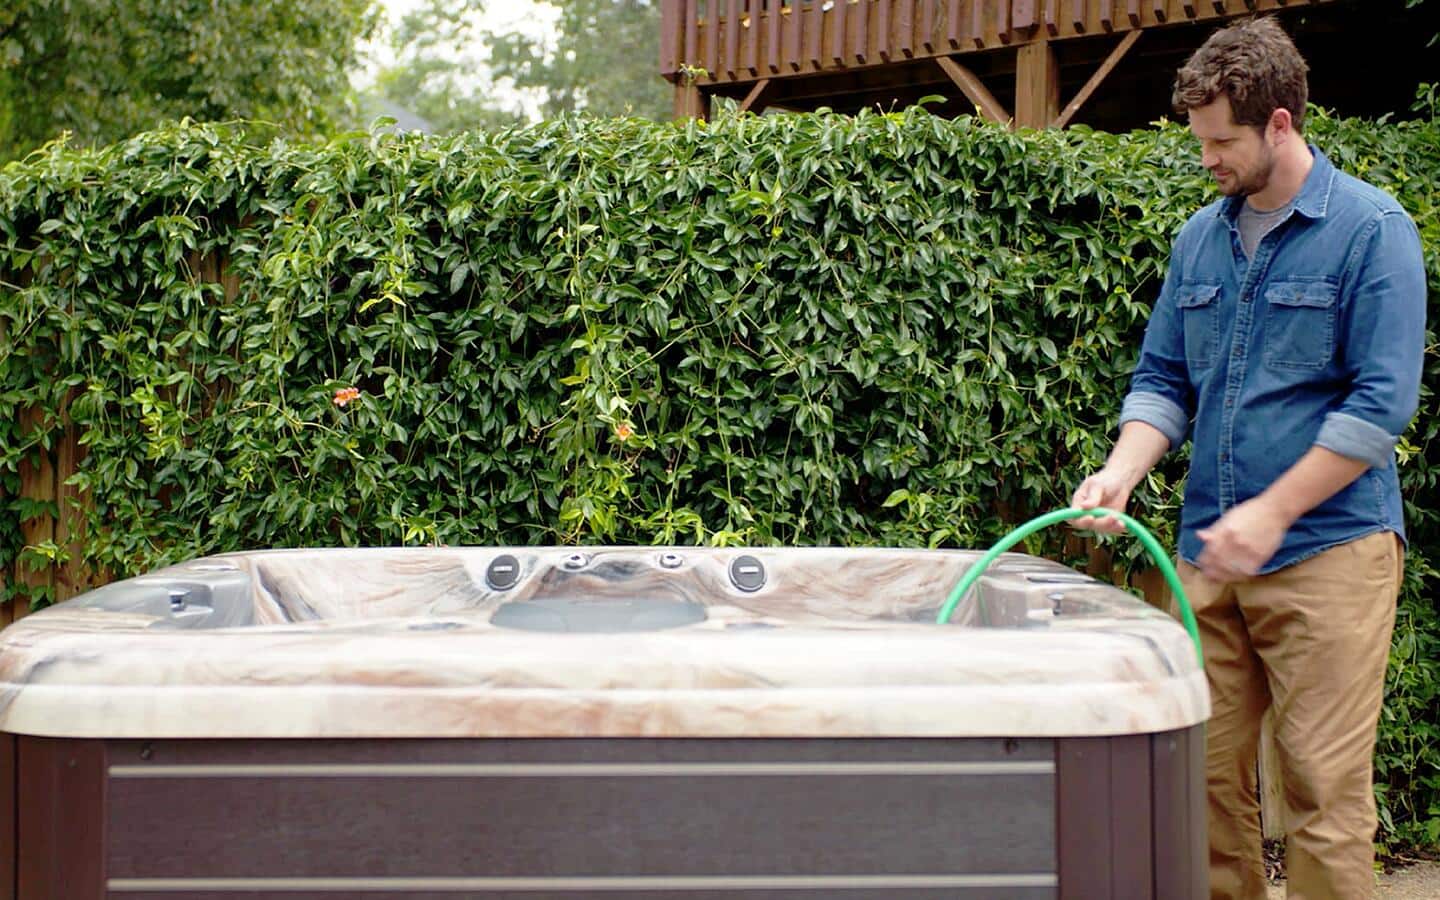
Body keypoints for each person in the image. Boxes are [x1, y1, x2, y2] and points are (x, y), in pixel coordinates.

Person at [1069, 16, 1427, 900]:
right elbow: (1163, 381)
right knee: (1197, 778)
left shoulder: (1372, 231)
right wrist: (1123, 471)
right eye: (1200, 140)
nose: (1207, 159)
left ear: (1279, 124)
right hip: (1205, 560)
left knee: (1320, 792)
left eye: (1222, 140)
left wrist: (1271, 513)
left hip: (1329, 556)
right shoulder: (1202, 238)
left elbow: (1379, 407)